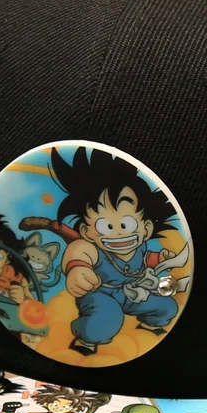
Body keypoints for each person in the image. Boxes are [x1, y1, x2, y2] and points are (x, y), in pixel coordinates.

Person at [51, 146, 185, 355]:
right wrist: (77, 269)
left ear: (146, 228)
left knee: (167, 307)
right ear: (86, 231)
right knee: (107, 319)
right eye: (105, 226)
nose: (118, 232)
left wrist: (161, 258)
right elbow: (79, 252)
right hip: (99, 294)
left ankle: (148, 327)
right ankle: (84, 337)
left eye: (127, 224)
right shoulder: (90, 247)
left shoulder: (140, 247)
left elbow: (145, 259)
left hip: (131, 292)